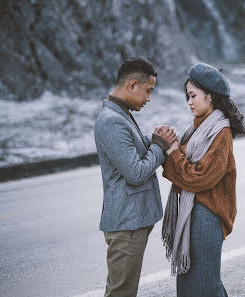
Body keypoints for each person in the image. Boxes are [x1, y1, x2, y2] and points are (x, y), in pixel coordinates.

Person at [94, 57, 177, 297]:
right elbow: (136, 173)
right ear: (131, 85)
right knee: (121, 293)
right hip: (126, 224)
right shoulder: (112, 122)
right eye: (148, 91)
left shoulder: (121, 113)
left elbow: (133, 160)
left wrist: (155, 143)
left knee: (122, 290)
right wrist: (159, 146)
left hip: (130, 222)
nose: (149, 98)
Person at [161, 63, 245, 296]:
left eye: (193, 96)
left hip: (207, 218)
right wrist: (170, 148)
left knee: (204, 286)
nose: (189, 102)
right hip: (195, 216)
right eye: (187, 96)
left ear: (211, 97)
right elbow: (185, 164)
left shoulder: (220, 132)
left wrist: (173, 152)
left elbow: (200, 177)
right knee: (197, 286)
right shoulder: (198, 130)